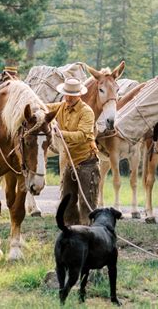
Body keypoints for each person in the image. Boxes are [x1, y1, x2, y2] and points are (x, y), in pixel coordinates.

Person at [46, 78, 99, 225]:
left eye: (72, 95)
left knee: (87, 202)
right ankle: (70, 230)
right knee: (67, 200)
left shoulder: (87, 112)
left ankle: (88, 232)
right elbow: (43, 107)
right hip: (71, 163)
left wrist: (61, 133)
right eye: (66, 94)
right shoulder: (60, 107)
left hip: (87, 162)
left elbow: (82, 136)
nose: (68, 98)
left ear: (79, 95)